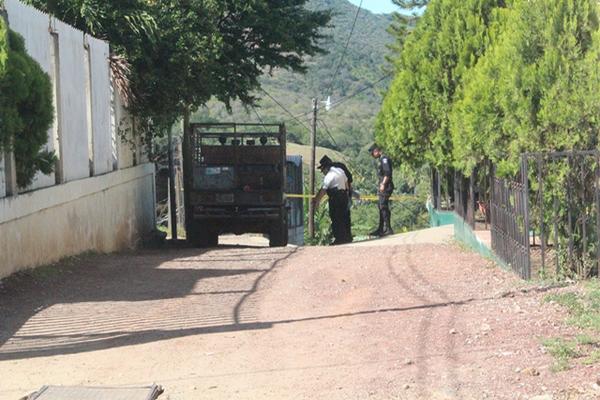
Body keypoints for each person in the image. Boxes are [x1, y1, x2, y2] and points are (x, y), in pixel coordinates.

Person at [312, 155, 352, 245]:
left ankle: (339, 239)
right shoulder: (340, 171)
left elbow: (323, 190)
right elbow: (346, 183)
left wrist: (317, 201)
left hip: (335, 198)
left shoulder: (329, 176)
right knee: (344, 217)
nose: (323, 172)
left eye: (322, 170)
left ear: (326, 167)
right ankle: (347, 237)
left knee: (336, 218)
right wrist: (347, 195)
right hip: (344, 196)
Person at [368, 143, 394, 236]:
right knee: (381, 206)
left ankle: (388, 228)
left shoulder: (384, 159)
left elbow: (387, 173)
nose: (372, 155)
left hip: (386, 186)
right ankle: (381, 229)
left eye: (372, 153)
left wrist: (383, 184)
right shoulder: (381, 159)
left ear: (376, 151)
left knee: (383, 206)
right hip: (383, 186)